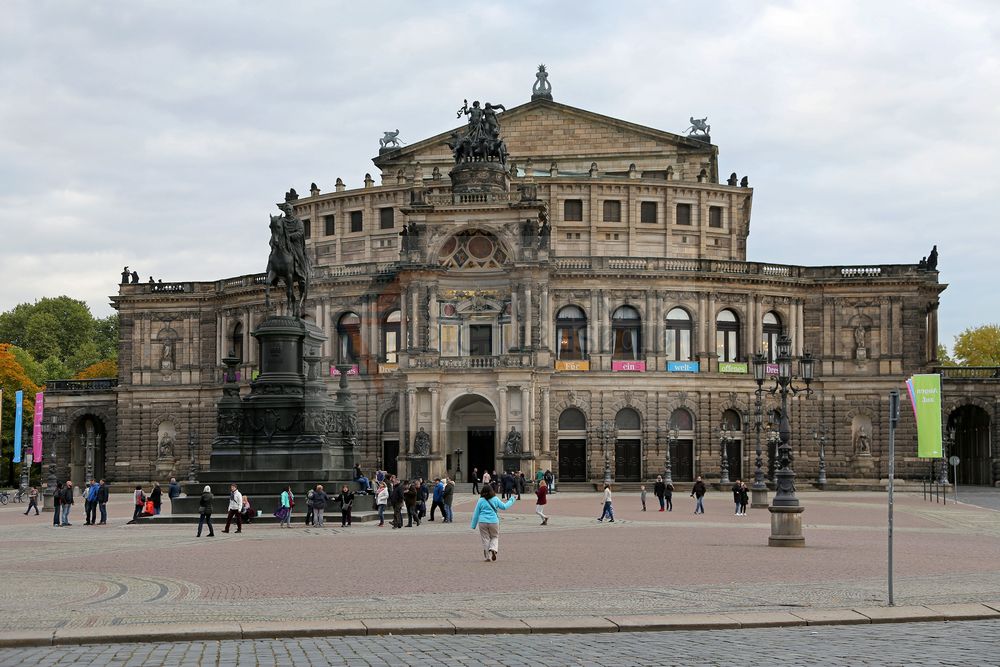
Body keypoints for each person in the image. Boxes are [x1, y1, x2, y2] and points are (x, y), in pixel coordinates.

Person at [470, 485, 516, 562]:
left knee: (485, 538)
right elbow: (504, 507)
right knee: (494, 536)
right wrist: (512, 500)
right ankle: (493, 548)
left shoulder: (480, 500)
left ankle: (488, 557)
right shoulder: (495, 499)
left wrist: (473, 525)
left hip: (482, 521)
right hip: (494, 521)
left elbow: (476, 513)